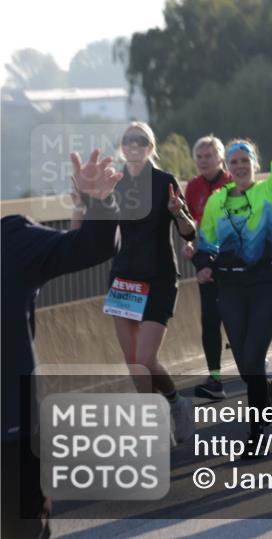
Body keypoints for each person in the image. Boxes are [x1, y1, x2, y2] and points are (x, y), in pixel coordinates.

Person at [1, 150, 122, 539]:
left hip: (14, 430)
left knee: (22, 531)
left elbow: (92, 246)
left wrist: (99, 201)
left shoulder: (13, 241)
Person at [193, 77, 272, 454]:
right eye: (234, 162)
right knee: (245, 366)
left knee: (254, 357)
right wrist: (202, 262)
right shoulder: (215, 202)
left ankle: (258, 434)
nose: (240, 166)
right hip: (229, 290)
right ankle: (264, 389)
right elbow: (205, 242)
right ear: (227, 167)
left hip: (264, 287)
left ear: (254, 166)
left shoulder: (270, 193)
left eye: (245, 161)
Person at [108, 121, 197, 442]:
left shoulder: (164, 183)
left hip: (159, 277)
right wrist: (84, 199)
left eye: (141, 140)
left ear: (150, 147)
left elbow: (189, 232)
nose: (134, 145)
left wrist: (178, 213)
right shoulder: (113, 184)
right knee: (133, 363)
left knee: (146, 360)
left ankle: (176, 403)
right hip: (124, 279)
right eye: (128, 140)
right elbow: (93, 233)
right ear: (122, 147)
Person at [183, 135, 233, 400]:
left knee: (236, 320)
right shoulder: (192, 187)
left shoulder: (233, 183)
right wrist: (190, 244)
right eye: (199, 157)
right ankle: (215, 379)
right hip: (205, 262)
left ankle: (254, 369)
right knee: (210, 321)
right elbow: (191, 227)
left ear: (220, 159)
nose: (203, 161)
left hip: (234, 261)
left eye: (208, 156)